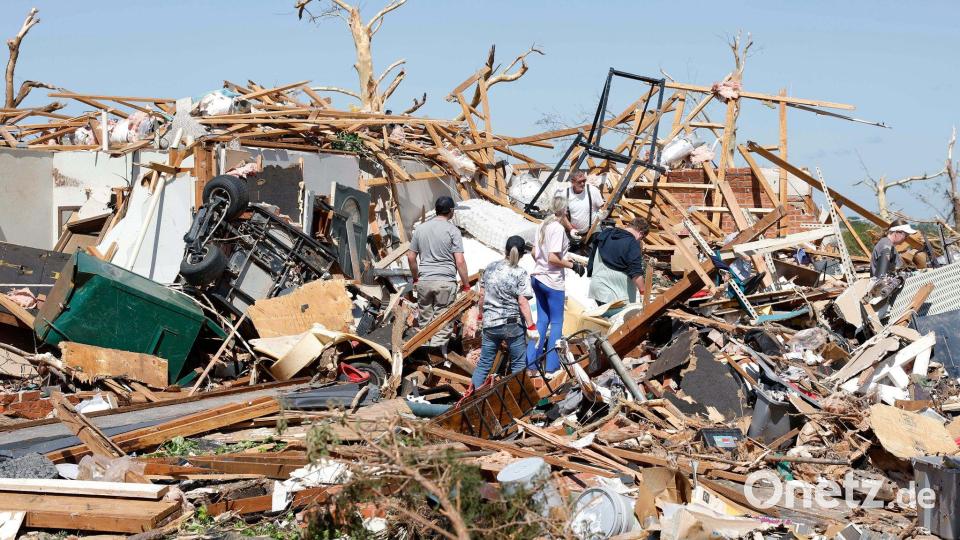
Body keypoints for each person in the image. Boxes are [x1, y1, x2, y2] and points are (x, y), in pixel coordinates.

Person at [471, 236, 539, 388]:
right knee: (518, 365)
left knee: (484, 364)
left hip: (490, 323)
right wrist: (531, 326)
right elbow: (522, 302)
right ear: (522, 255)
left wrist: (481, 316)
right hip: (512, 325)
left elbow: (481, 295)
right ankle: (517, 400)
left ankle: (470, 398)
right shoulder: (520, 273)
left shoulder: (490, 268)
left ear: (505, 250)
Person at [527, 195, 586, 373]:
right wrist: (572, 265)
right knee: (557, 323)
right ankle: (552, 366)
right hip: (552, 281)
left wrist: (543, 264)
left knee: (542, 321)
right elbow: (553, 258)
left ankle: (531, 364)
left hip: (537, 277)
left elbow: (534, 252)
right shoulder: (557, 228)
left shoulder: (542, 225)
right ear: (564, 210)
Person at [406, 196, 471, 348]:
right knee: (443, 322)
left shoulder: (420, 229)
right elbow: (459, 261)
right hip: (445, 282)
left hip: (424, 282)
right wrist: (467, 285)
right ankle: (435, 358)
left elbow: (411, 257)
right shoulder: (452, 231)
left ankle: (424, 355)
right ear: (451, 211)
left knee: (425, 323)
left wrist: (416, 279)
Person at [587, 216, 648, 304]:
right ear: (641, 233)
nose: (639, 241)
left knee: (602, 317)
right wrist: (643, 291)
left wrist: (590, 273)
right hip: (616, 296)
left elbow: (592, 257)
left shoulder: (606, 233)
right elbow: (636, 272)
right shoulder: (632, 243)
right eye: (641, 239)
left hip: (597, 288)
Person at [557, 171, 604, 240]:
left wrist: (603, 214)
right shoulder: (565, 194)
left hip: (593, 231)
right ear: (572, 182)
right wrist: (571, 229)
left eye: (584, 181)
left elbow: (603, 207)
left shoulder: (592, 190)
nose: (582, 184)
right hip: (574, 232)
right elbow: (561, 214)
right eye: (579, 182)